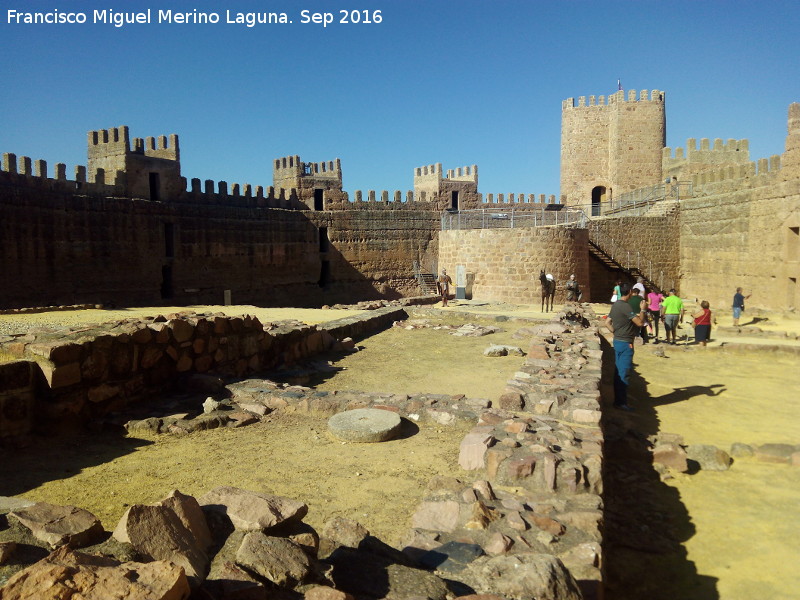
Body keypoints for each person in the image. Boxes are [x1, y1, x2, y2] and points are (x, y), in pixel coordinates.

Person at [605, 282, 647, 411]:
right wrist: (643, 309)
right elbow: (640, 323)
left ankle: (619, 399)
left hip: (617, 340)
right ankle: (621, 402)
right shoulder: (625, 307)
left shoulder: (616, 305)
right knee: (624, 372)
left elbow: (607, 322)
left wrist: (615, 332)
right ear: (629, 292)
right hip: (625, 342)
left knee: (618, 370)